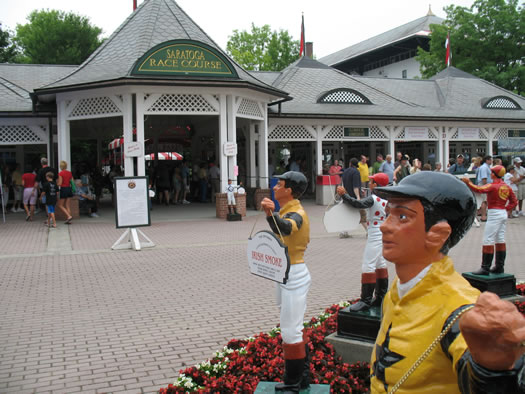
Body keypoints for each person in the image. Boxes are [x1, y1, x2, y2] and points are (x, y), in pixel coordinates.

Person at [371, 172, 525, 393]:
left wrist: (492, 368)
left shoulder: (460, 310)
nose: (385, 226)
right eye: (388, 214)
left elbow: (475, 374)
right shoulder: (399, 288)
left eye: (402, 217)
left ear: (437, 234)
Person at [260, 171, 311, 392]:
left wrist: (270, 214)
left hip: (295, 273)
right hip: (284, 271)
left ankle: (293, 383)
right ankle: (303, 377)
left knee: (291, 331)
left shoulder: (297, 213)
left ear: (289, 190)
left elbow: (288, 227)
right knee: (292, 327)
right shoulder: (288, 209)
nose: (275, 187)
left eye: (279, 185)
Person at [337, 172, 390, 311]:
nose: (369, 184)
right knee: (380, 263)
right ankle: (380, 296)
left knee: (368, 264)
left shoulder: (374, 199)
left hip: (375, 233)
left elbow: (357, 204)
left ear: (376, 185)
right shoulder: (387, 199)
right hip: (381, 232)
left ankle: (365, 300)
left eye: (372, 182)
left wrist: (344, 195)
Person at [462, 165, 517, 274]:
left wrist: (468, 182)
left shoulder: (493, 186)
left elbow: (479, 189)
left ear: (493, 174)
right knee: (500, 238)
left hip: (494, 213)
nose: (490, 174)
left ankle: (485, 267)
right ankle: (499, 266)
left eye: (491, 172)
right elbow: (514, 201)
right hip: (502, 212)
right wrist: (506, 209)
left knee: (488, 239)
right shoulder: (506, 186)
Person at [340, 158, 365, 237]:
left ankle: (343, 232)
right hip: (353, 197)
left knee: (346, 215)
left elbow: (343, 185)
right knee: (362, 215)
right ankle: (369, 231)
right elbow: (355, 186)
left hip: (346, 196)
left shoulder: (345, 171)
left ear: (350, 163)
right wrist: (358, 197)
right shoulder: (356, 172)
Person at [476, 155, 493, 221]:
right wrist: (488, 186)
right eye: (490, 160)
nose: (491, 161)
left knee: (486, 201)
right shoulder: (484, 168)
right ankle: (483, 216)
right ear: (487, 160)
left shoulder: (487, 167)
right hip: (484, 185)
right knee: (484, 201)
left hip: (486, 185)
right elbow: (484, 179)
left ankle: (483, 215)